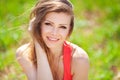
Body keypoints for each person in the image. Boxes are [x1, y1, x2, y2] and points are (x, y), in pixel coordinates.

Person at [16, 0, 89, 80]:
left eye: (62, 27)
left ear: (69, 30)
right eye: (48, 24)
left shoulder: (79, 59)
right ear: (38, 24)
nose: (54, 33)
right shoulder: (24, 54)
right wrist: (38, 45)